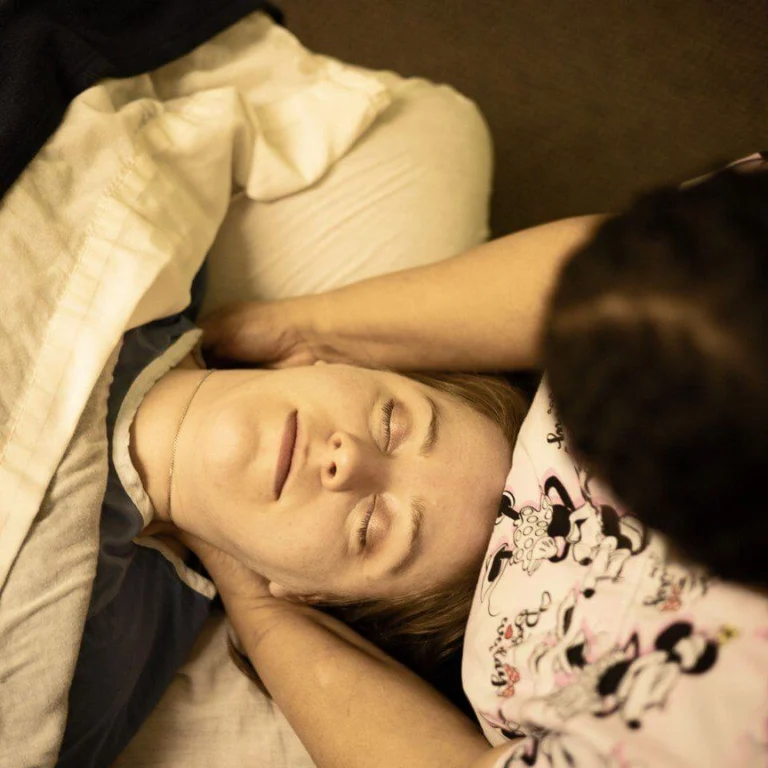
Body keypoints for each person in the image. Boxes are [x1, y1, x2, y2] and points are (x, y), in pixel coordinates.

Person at [192, 160, 768, 767]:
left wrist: (253, 601)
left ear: (310, 594)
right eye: (391, 423)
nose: (347, 459)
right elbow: (638, 285)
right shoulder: (669, 327)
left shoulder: (513, 674)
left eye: (373, 527)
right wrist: (306, 332)